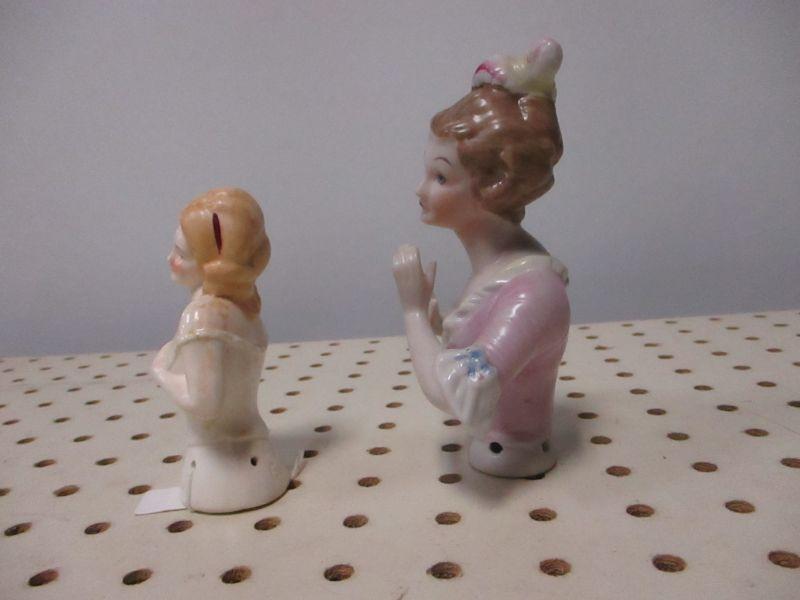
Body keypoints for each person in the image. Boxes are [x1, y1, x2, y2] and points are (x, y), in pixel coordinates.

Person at [393, 39, 570, 478]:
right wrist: (439, 328)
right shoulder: (500, 273)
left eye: (440, 176)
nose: (420, 190)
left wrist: (413, 314)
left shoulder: (533, 294)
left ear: (495, 184)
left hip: (512, 455)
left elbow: (452, 395)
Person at [152, 188, 290, 512]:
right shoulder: (245, 304)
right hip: (256, 455)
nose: (169, 259)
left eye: (181, 253)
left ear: (212, 264)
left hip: (218, 475)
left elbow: (204, 405)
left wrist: (160, 371)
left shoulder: (202, 315)